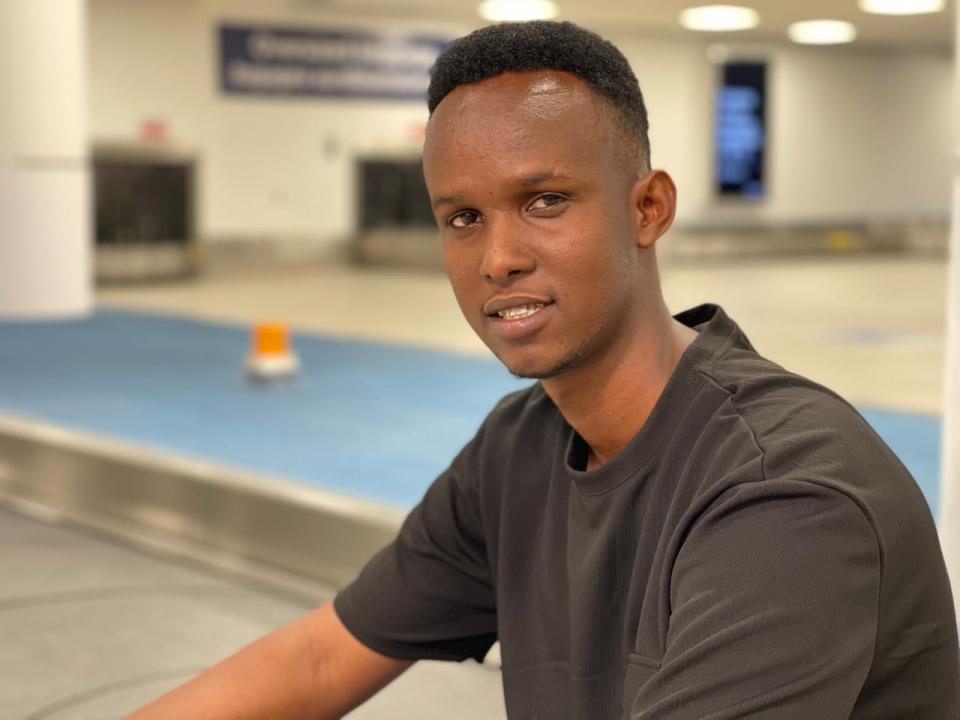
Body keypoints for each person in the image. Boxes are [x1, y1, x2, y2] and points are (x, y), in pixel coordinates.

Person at [129, 20, 959, 719]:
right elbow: (316, 661)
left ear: (648, 208)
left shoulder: (784, 495)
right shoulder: (518, 451)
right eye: (463, 217)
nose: (498, 258)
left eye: (544, 201)